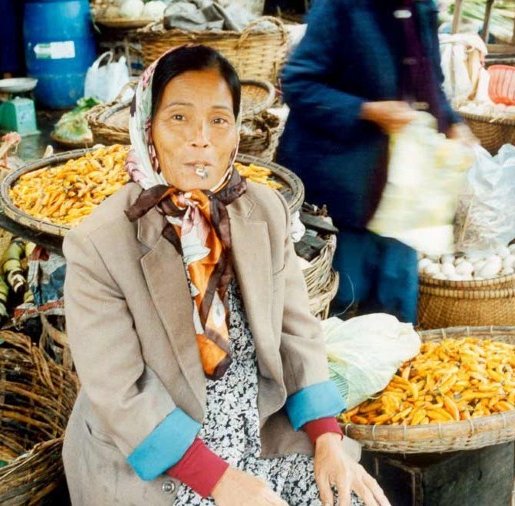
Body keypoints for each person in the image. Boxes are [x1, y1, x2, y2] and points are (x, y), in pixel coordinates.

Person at [61, 45, 390, 506]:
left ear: (237, 131)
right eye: (178, 118)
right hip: (163, 460)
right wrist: (224, 484)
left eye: (219, 119)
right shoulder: (100, 242)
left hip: (257, 433)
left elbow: (297, 330)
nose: (201, 138)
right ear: (146, 125)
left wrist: (326, 439)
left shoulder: (264, 209)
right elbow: (122, 393)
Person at [276, 0, 475, 324]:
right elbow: (299, 85)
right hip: (343, 190)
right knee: (340, 306)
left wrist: (453, 123)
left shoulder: (421, 8)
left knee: (395, 310)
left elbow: (429, 83)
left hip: (401, 193)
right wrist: (368, 111)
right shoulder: (341, 7)